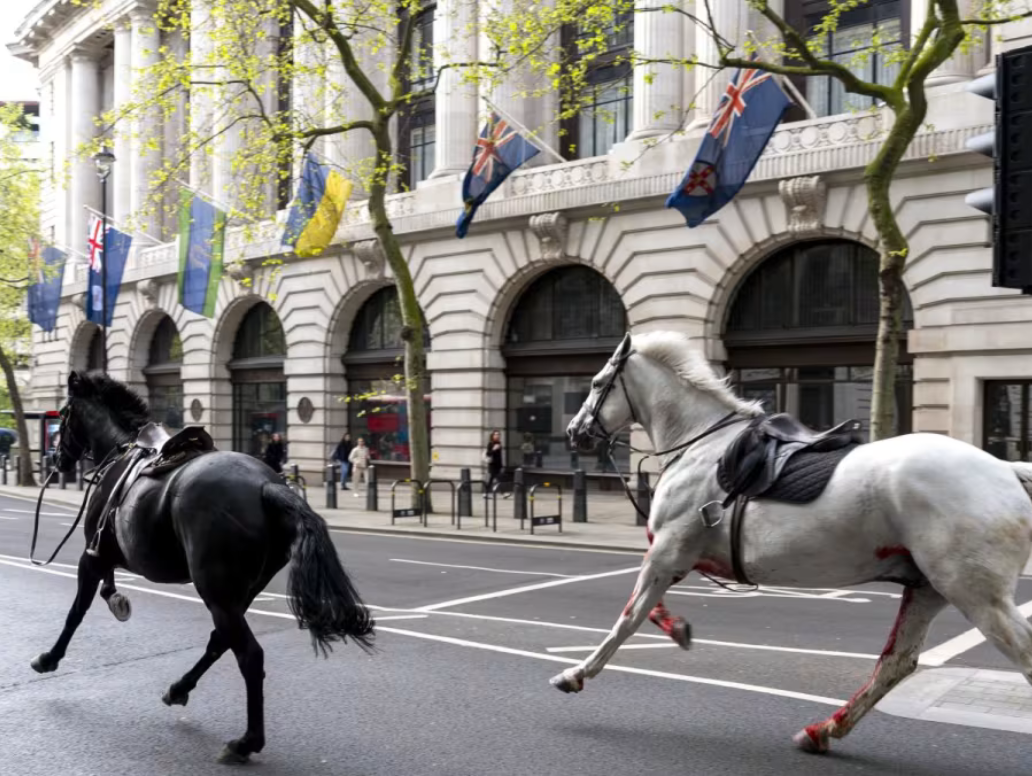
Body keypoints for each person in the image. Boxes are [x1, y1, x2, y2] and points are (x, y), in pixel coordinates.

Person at [484, 429, 508, 499]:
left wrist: (501, 465)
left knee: (494, 480)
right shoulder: (490, 444)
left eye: (498, 435)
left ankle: (487, 493)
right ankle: (503, 493)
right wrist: (493, 449)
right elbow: (488, 454)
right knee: (497, 479)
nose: (497, 436)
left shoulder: (499, 443)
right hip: (492, 465)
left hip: (497, 465)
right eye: (496, 434)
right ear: (492, 436)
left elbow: (499, 456)